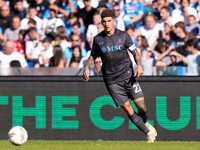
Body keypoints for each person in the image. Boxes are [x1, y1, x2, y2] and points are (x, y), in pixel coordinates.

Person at [83, 9, 157, 143]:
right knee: (128, 108)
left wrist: (139, 65)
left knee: (141, 107)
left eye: (109, 21)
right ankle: (148, 133)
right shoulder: (98, 39)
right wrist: (87, 67)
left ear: (114, 21)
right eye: (104, 21)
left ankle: (144, 124)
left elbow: (135, 52)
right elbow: (93, 56)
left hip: (128, 76)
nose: (106, 24)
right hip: (112, 81)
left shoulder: (123, 36)